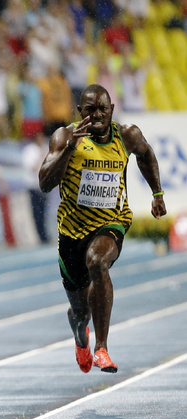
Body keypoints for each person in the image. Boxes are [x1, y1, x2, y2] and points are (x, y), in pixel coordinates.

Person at [38, 84, 167, 374]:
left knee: (98, 262)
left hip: (112, 222)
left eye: (102, 109)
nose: (96, 115)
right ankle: (79, 334)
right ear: (79, 112)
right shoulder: (64, 136)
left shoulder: (127, 135)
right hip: (72, 232)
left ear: (111, 111)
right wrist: (70, 148)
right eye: (90, 110)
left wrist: (157, 194)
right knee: (80, 311)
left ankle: (101, 348)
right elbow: (45, 183)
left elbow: (146, 155)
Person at [22, 132, 50, 244]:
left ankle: (45, 235)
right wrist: (41, 157)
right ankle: (41, 236)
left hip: (44, 185)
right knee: (36, 213)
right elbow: (31, 168)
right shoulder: (30, 150)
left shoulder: (46, 148)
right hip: (33, 185)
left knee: (44, 212)